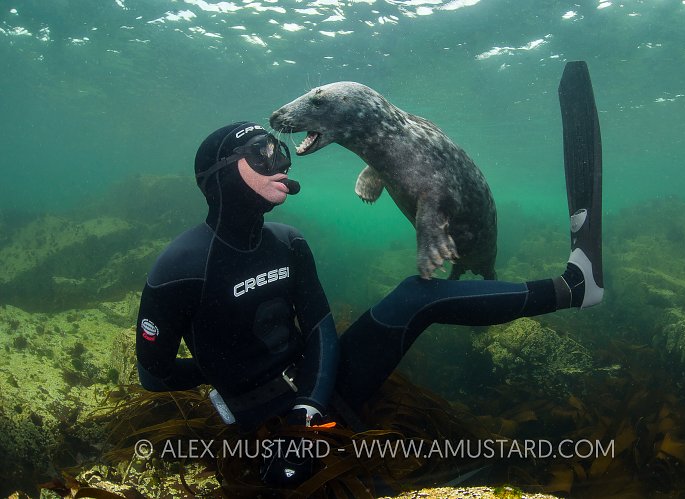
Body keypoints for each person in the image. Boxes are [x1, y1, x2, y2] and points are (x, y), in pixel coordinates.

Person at [136, 115, 602, 485]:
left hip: (319, 386)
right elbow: (154, 376)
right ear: (221, 172)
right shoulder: (178, 269)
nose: (281, 161)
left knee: (416, 296)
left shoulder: (288, 242)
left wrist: (307, 409)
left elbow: (319, 330)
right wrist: (231, 380)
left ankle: (573, 287)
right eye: (261, 153)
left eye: (280, 149)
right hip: (260, 413)